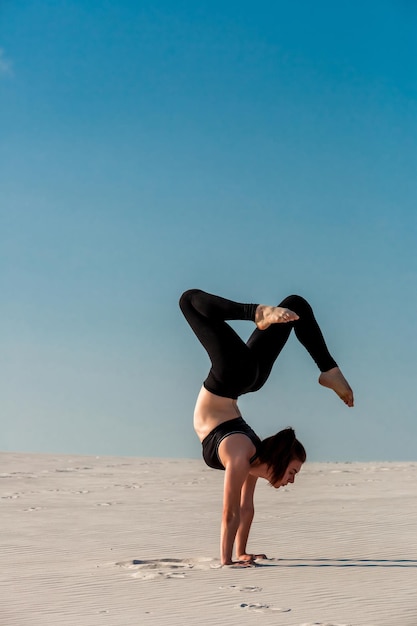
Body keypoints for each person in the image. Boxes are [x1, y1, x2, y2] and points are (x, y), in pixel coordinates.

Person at [179, 288, 353, 566]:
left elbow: (241, 510)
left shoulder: (245, 458)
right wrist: (228, 560)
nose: (292, 480)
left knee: (291, 307)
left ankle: (326, 368)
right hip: (234, 377)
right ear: (279, 460)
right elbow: (232, 511)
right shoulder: (244, 453)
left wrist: (239, 555)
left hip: (243, 378)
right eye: (293, 471)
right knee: (189, 300)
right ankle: (259, 316)